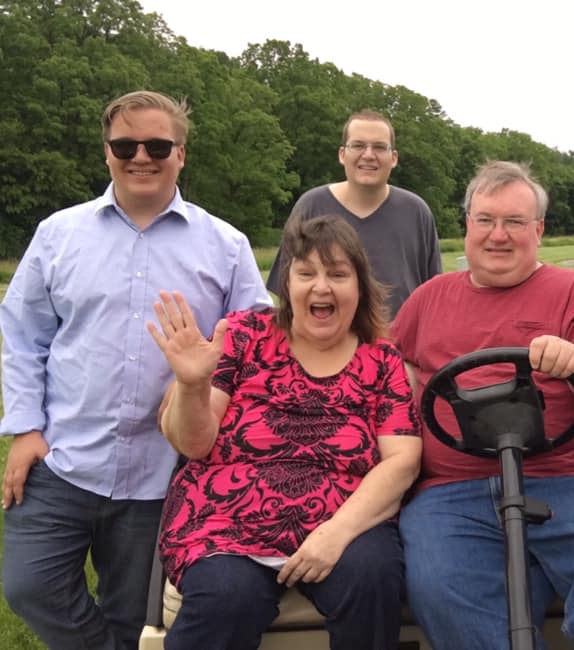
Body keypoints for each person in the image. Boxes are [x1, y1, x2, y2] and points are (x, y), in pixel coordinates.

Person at [0, 90, 272, 650]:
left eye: (157, 144)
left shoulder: (224, 244)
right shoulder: (59, 235)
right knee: (28, 585)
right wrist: (26, 429)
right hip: (65, 457)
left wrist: (215, 364)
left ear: (181, 154)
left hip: (163, 471)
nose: (140, 156)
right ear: (106, 153)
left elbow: (258, 344)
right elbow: (23, 336)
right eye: (126, 144)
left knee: (131, 614)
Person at [392, 160, 574, 650]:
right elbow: (390, 374)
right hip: (453, 487)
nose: (497, 235)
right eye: (485, 220)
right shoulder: (427, 299)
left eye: (514, 222)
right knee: (441, 587)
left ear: (539, 230)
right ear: (467, 224)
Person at [149, 213, 422, 650]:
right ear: (287, 285)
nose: (321, 287)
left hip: (345, 522)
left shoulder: (382, 360)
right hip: (227, 523)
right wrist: (192, 384)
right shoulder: (242, 336)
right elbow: (194, 444)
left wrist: (336, 533)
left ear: (359, 286)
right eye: (306, 272)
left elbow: (403, 461)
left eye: (337, 274)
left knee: (372, 577)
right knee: (226, 597)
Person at [266, 110, 442, 318]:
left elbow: (434, 296)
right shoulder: (311, 206)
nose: (368, 155)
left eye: (379, 147)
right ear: (342, 154)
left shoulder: (416, 212)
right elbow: (288, 293)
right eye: (358, 145)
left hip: (401, 347)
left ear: (393, 158)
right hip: (326, 345)